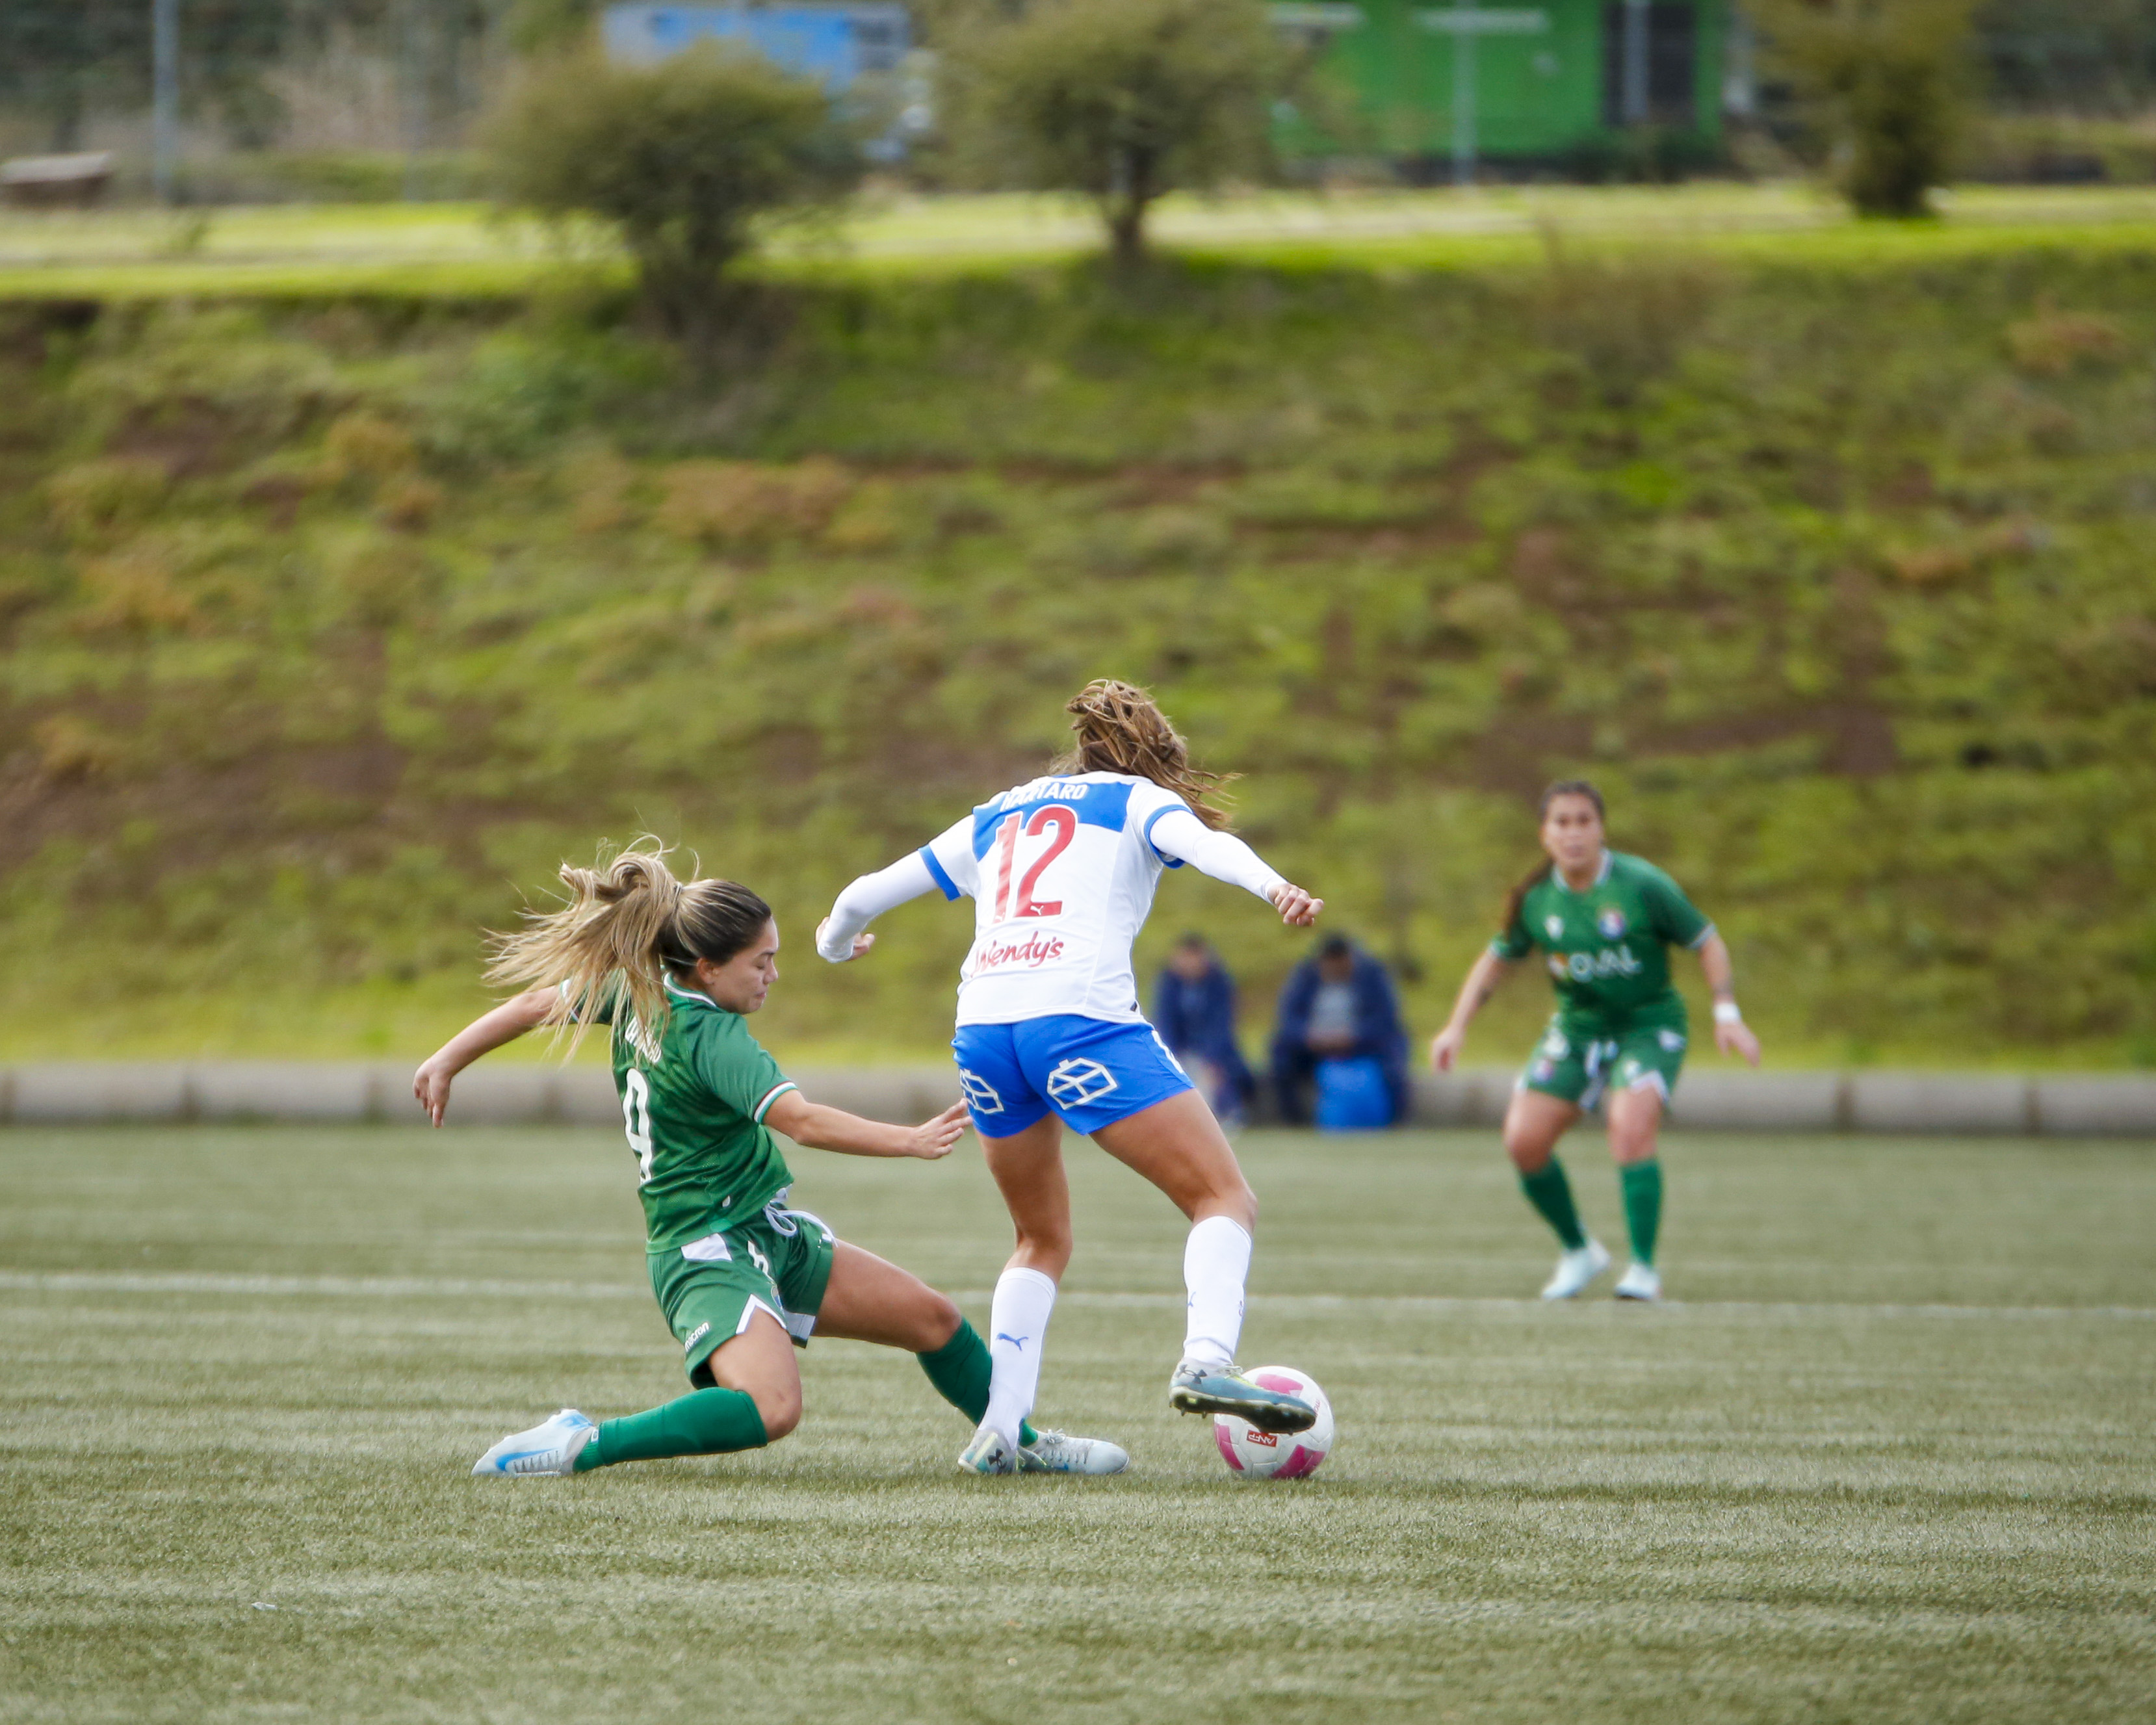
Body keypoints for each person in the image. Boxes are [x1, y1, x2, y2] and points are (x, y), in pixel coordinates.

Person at [412, 843, 1128, 1479]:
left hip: (764, 1231)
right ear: (707, 965)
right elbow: (803, 1123)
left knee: (934, 1320)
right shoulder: (712, 1036)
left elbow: (538, 1002)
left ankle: (1021, 1440)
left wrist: (447, 1057)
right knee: (771, 1407)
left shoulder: (639, 988)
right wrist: (907, 1139)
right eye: (762, 961)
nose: (773, 975)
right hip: (706, 1249)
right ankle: (581, 1442)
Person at [815, 678, 1327, 1473]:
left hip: (983, 1029)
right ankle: (1204, 1357)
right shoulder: (1135, 801)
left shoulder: (997, 811)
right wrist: (1275, 887)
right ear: (1157, 760)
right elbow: (1208, 847)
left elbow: (861, 894)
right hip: (1077, 1018)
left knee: (1038, 1236)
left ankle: (1002, 1426)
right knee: (1221, 1196)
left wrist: (833, 944)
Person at [1427, 781, 1762, 1302]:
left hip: (1648, 1025)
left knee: (1628, 1130)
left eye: (1584, 820)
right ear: (1544, 834)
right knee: (1523, 1141)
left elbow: (1706, 940)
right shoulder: (1537, 902)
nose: (1573, 832)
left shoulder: (1642, 885)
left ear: (1601, 829)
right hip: (1578, 1030)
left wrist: (1726, 1012)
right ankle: (1579, 1250)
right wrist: (1456, 1026)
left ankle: (1643, 1270)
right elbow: (1496, 959)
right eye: (1561, 822)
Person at [1269, 934, 1410, 1127]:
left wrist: (1354, 1035)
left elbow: (1385, 1020)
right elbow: (1288, 1019)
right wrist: (1308, 1035)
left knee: (1394, 1059)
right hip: (1314, 1044)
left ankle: (1395, 1120)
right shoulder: (1305, 977)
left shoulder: (1372, 975)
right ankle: (1295, 1121)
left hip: (1360, 1044)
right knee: (1281, 1057)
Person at [1152, 933, 1255, 1127]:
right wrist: (1173, 1056)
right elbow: (1165, 1023)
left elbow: (1222, 1026)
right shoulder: (1168, 982)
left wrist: (1212, 1059)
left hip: (1214, 1051)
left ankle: (1228, 1114)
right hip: (1180, 1050)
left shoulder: (1220, 982)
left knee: (1221, 1072)